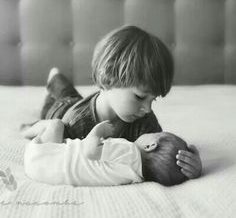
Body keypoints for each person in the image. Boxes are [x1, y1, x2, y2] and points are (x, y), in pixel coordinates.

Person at [22, 25, 202, 179]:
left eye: (152, 99)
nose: (147, 109)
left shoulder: (144, 120)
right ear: (108, 77)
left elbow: (159, 153)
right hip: (63, 109)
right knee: (62, 97)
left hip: (87, 101)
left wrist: (188, 165)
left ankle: (58, 80)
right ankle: (54, 78)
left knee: (72, 94)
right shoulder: (75, 124)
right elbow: (56, 157)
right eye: (139, 97)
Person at [23, 119, 190, 186]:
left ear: (150, 145)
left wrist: (97, 131)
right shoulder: (135, 178)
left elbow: (89, 152)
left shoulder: (129, 150)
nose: (150, 132)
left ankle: (28, 131)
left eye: (155, 134)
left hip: (41, 157)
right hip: (46, 174)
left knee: (57, 124)